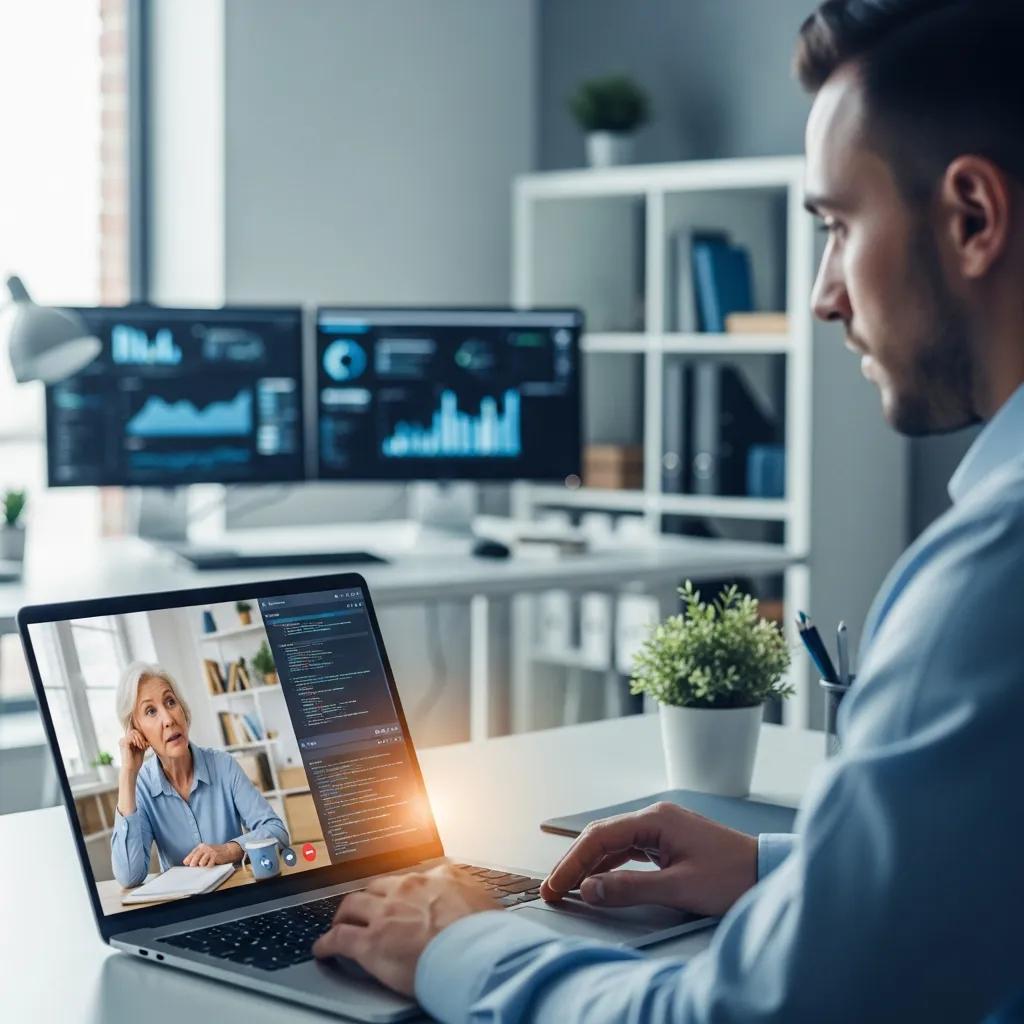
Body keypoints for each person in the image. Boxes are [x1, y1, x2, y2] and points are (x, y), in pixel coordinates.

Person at [312, 1, 1024, 1020]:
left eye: (835, 226)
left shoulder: (990, 579)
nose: (822, 293)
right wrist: (784, 870)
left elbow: (728, 1017)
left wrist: (461, 946)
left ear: (971, 218)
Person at [111, 662, 289, 888]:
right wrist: (127, 775)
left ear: (182, 709)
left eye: (170, 702)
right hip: (186, 910)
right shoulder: (141, 788)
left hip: (238, 897)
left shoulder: (223, 765)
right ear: (136, 731)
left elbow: (277, 832)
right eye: (151, 711)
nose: (168, 719)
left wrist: (228, 850)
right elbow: (129, 877)